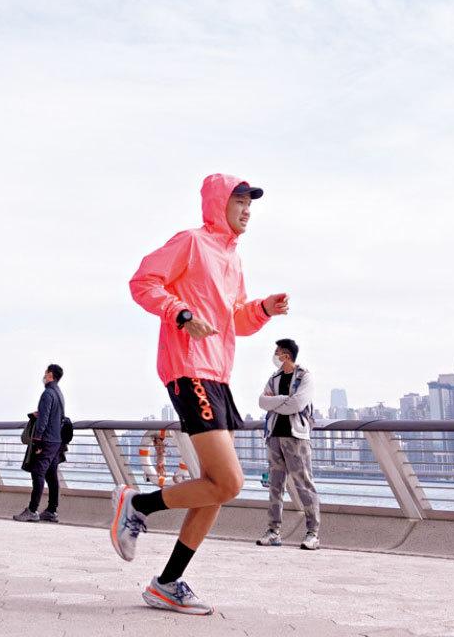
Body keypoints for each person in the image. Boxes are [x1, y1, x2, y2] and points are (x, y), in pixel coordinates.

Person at [115, 173, 289, 615]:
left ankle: (167, 583)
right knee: (229, 481)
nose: (248, 209)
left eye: (251, 203)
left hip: (219, 375)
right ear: (218, 204)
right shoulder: (191, 242)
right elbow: (143, 282)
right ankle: (138, 504)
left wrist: (264, 310)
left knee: (217, 489)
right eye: (240, 201)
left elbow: (237, 320)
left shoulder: (234, 259)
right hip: (189, 367)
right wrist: (182, 313)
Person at [256, 338, 320, 550]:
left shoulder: (304, 377)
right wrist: (283, 401)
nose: (275, 356)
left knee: (304, 484)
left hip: (297, 437)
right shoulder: (274, 377)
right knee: (275, 486)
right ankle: (273, 532)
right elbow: (262, 402)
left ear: (285, 354)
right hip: (274, 435)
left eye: (277, 352)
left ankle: (313, 533)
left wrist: (277, 403)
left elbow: (297, 404)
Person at [14, 364, 66, 524]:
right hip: (56, 440)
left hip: (47, 440)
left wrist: (37, 440)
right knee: (51, 475)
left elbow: (43, 420)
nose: (44, 376)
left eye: (45, 373)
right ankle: (51, 511)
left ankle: (32, 510)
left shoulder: (47, 393)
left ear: (50, 375)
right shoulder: (59, 393)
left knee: (37, 473)